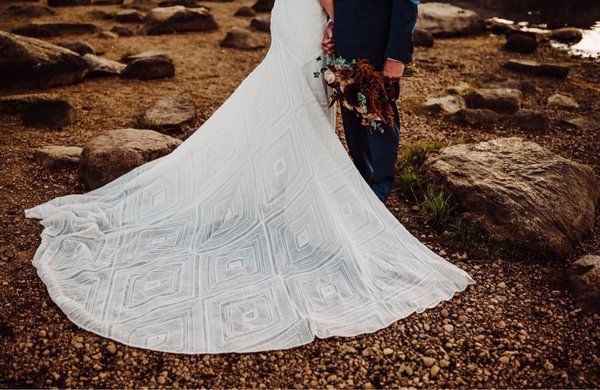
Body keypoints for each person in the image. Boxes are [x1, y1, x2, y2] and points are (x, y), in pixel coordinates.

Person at [25, 0, 474, 354]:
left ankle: (295, 194)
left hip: (303, 14)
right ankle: (315, 198)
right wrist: (339, 22)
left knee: (301, 107)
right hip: (312, 18)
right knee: (302, 106)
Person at [322, 0, 419, 200]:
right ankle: (362, 177)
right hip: (347, 35)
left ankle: (380, 185)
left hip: (376, 38)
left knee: (378, 108)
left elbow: (407, 2)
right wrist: (333, 23)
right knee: (350, 105)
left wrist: (396, 55)